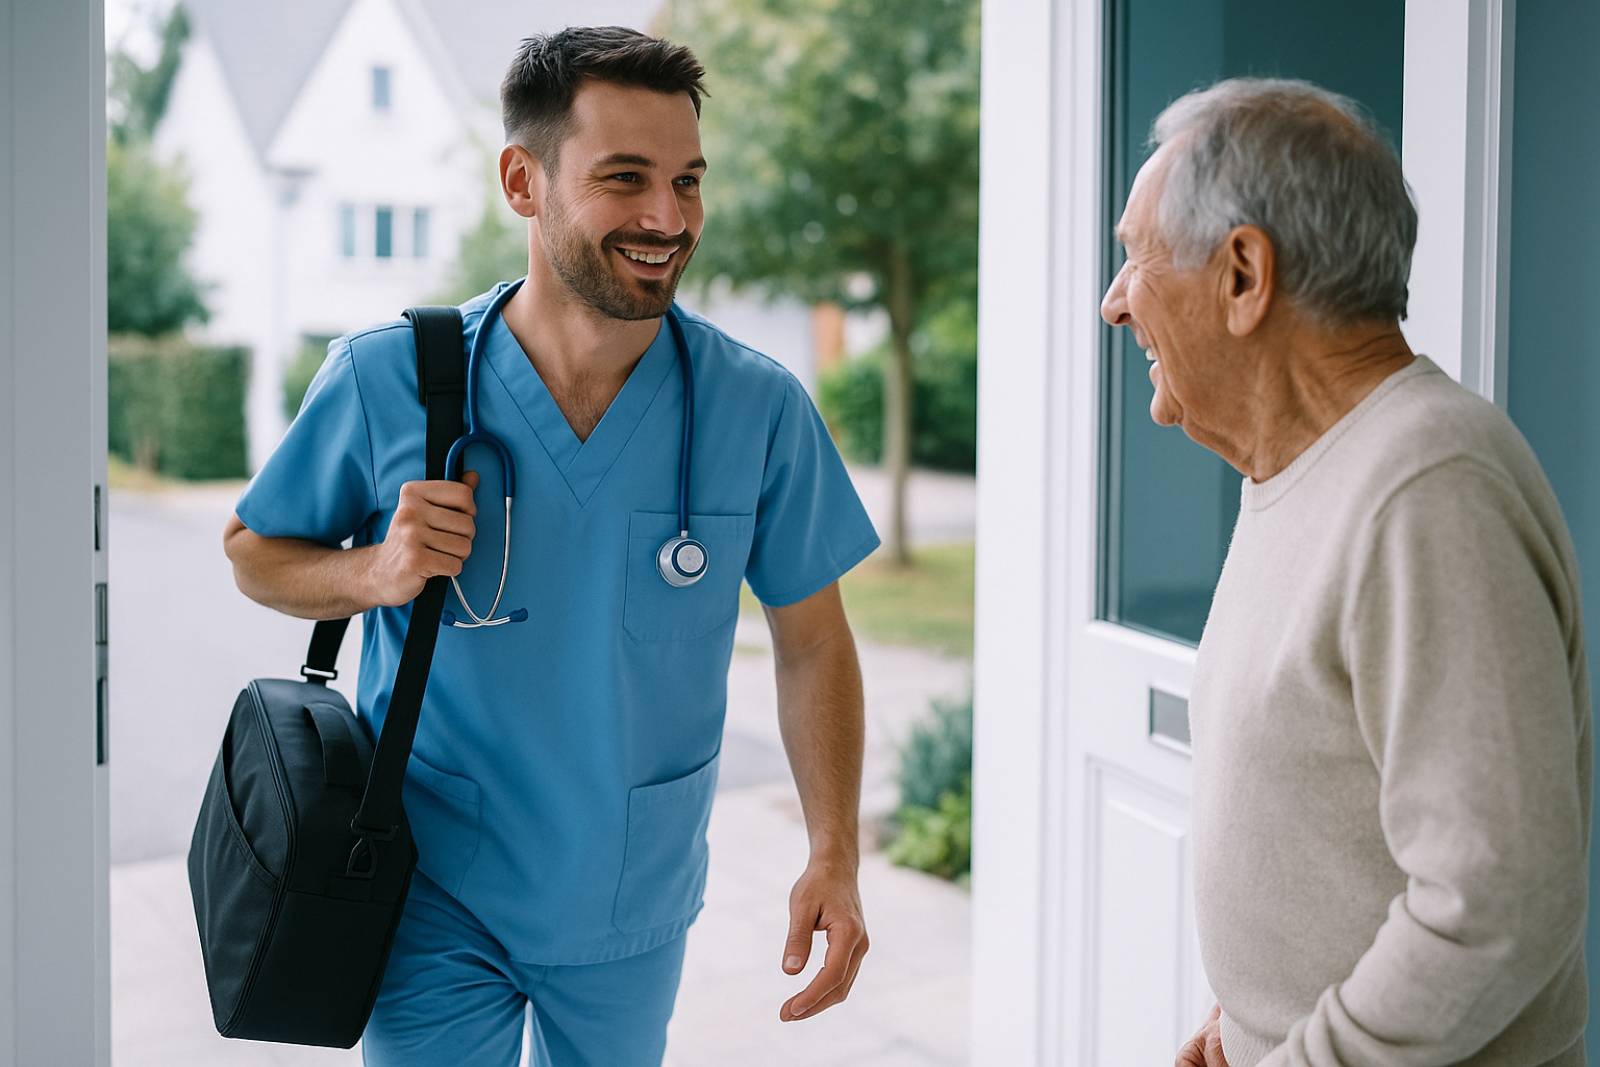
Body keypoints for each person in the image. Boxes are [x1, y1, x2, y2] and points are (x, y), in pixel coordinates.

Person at [222, 27, 878, 1066]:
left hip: (628, 896)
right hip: (428, 884)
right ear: (522, 182)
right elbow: (254, 548)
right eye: (626, 179)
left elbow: (811, 639)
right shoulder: (389, 377)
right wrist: (373, 572)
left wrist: (833, 850)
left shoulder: (756, 408)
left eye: (687, 182)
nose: (668, 218)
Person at [1100, 78, 1591, 1066]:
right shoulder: (1299, 468)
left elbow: (1494, 901)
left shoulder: (1425, 488)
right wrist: (1243, 1022)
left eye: (1133, 259)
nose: (1115, 303)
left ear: (1243, 273)